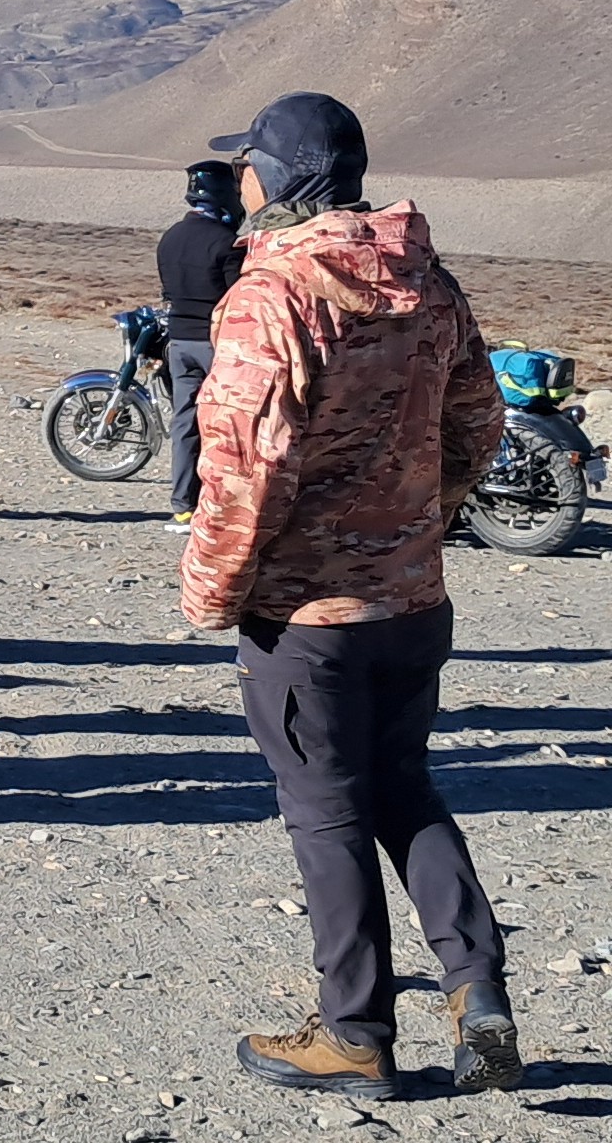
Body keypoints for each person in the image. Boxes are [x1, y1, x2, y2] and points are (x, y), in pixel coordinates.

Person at [183, 91, 522, 1102]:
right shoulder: (428, 281)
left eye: (248, 161)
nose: (239, 178)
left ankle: (355, 1033)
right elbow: (479, 418)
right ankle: (477, 993)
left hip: (310, 614)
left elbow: (244, 464)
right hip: (413, 600)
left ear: (280, 174)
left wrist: (211, 590)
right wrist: (422, 517)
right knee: (404, 788)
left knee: (325, 812)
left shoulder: (272, 293)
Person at [158, 158, 248, 525]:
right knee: (229, 423)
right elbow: (237, 295)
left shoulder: (169, 238)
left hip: (178, 343)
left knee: (185, 422)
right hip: (216, 344)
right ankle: (226, 503)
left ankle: (182, 504)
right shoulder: (226, 243)